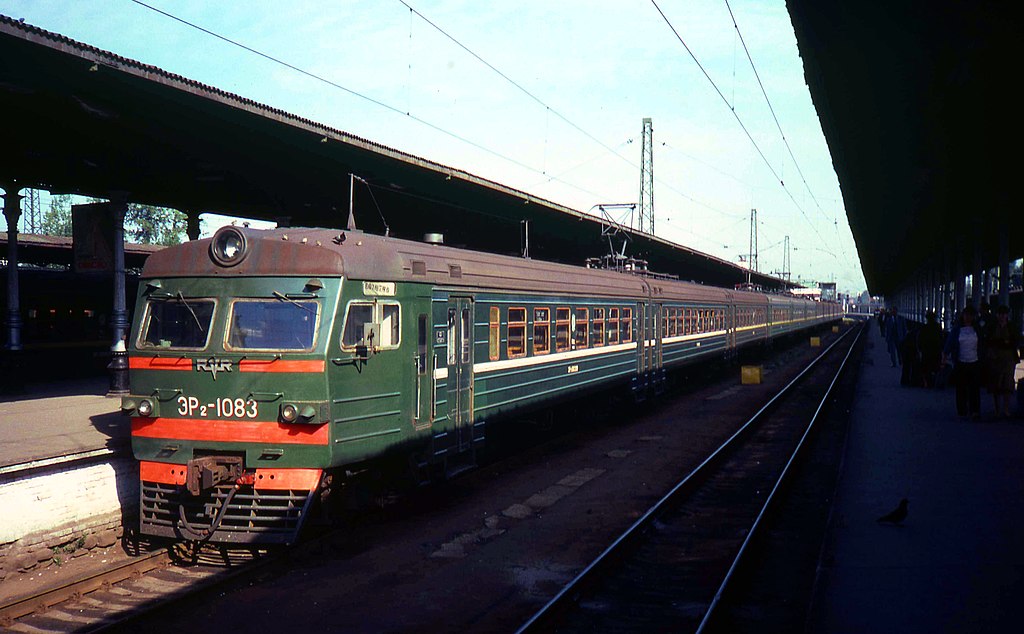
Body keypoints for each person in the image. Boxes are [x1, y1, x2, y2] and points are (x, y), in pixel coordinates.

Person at [943, 305, 984, 420]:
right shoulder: (957, 329)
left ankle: (975, 410)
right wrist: (945, 356)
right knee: (961, 387)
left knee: (974, 387)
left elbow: (982, 343)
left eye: (970, 315)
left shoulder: (977, 329)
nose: (968, 318)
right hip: (961, 361)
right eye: (966, 315)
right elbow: (950, 342)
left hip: (974, 361)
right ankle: (962, 409)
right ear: (963, 316)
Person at [984, 305, 1021, 418]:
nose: (1002, 316)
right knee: (996, 384)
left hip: (1008, 358)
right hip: (996, 358)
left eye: (1004, 314)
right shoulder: (993, 326)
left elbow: (1014, 340)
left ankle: (1005, 408)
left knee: (1007, 383)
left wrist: (1000, 342)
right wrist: (1004, 342)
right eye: (1000, 314)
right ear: (997, 315)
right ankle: (998, 409)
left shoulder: (1011, 326)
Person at [917, 310, 943, 387]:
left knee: (926, 367)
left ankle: (927, 382)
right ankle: (935, 381)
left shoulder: (924, 327)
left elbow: (920, 339)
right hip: (936, 350)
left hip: (926, 351)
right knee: (935, 366)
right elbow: (941, 338)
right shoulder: (938, 327)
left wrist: (920, 349)